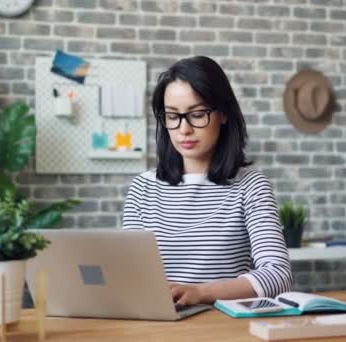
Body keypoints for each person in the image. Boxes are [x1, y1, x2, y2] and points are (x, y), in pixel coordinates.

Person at [122, 56, 292, 306]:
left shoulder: (251, 186)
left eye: (197, 114)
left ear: (223, 114)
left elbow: (278, 275)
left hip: (224, 324)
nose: (184, 129)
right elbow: (128, 273)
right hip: (159, 326)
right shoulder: (143, 188)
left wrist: (201, 293)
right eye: (172, 116)